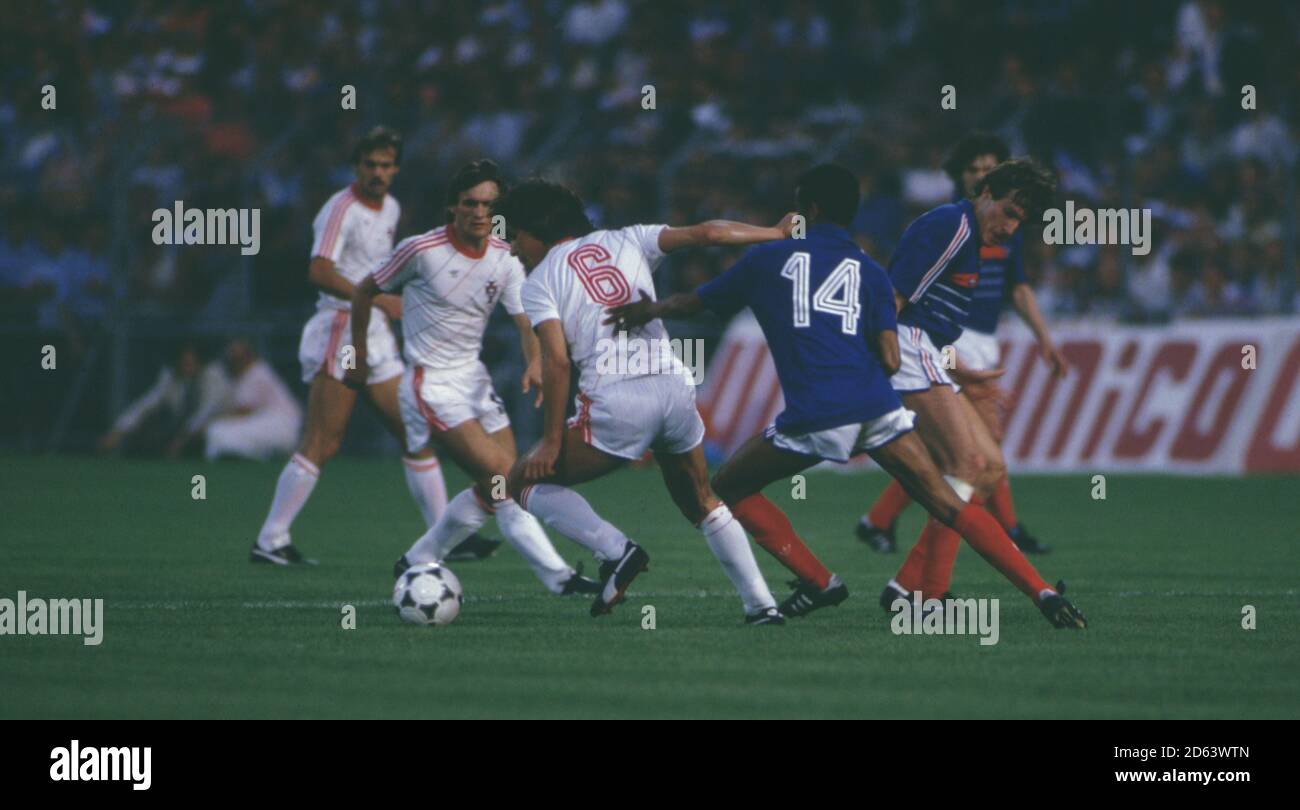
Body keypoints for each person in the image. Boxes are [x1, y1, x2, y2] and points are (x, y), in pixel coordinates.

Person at [607, 163, 1085, 629]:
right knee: (956, 495)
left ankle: (825, 581)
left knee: (728, 485)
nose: (1010, 226)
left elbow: (697, 302)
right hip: (879, 402)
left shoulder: (767, 258)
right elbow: (894, 353)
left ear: (806, 208)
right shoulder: (873, 268)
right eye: (1010, 213)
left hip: (823, 410)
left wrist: (648, 309)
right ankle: (1033, 592)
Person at [500, 178, 792, 624]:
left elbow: (557, 362)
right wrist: (773, 232)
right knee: (701, 500)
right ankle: (761, 605)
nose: (514, 249)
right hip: (675, 387)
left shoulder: (539, 281)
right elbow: (708, 233)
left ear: (537, 229)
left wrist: (552, 440)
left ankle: (617, 551)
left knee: (520, 480)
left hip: (618, 401)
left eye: (516, 236)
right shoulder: (628, 238)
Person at [351, 161, 597, 597]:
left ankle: (416, 559)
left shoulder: (505, 258)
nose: (479, 212)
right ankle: (561, 579)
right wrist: (360, 354)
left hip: (475, 382)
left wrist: (535, 362)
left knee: (498, 487)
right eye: (470, 203)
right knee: (508, 480)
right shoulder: (421, 250)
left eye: (488, 204)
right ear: (453, 206)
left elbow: (526, 323)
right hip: (431, 384)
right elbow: (364, 290)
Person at [250, 127, 467, 566]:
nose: (378, 173)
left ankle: (443, 538)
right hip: (341, 329)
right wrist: (379, 298)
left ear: (396, 169)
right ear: (356, 167)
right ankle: (270, 539)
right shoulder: (340, 208)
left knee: (416, 431)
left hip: (375, 333)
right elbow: (318, 270)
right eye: (371, 164)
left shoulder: (390, 207)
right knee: (324, 441)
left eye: (387, 165)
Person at [856, 133, 1066, 555]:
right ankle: (925, 580)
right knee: (971, 463)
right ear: (981, 187)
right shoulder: (952, 226)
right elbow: (896, 301)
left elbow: (1012, 291)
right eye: (1008, 213)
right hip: (913, 350)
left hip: (939, 351)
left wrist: (960, 370)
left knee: (979, 465)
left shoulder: (978, 237)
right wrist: (867, 364)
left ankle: (900, 558)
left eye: (1018, 221)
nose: (1010, 227)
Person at [99, 342, 228, 457]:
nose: (186, 367)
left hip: (216, 425)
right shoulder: (170, 376)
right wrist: (118, 431)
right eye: (183, 363)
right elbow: (147, 404)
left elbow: (204, 412)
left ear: (201, 362)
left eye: (190, 363)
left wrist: (181, 440)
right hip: (183, 428)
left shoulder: (214, 376)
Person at [199, 339, 303, 463]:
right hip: (277, 424)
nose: (235, 361)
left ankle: (244, 454)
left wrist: (210, 422)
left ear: (248, 356)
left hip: (279, 424)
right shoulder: (248, 374)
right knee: (217, 430)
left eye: (239, 357)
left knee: (216, 430)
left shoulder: (256, 372)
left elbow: (243, 411)